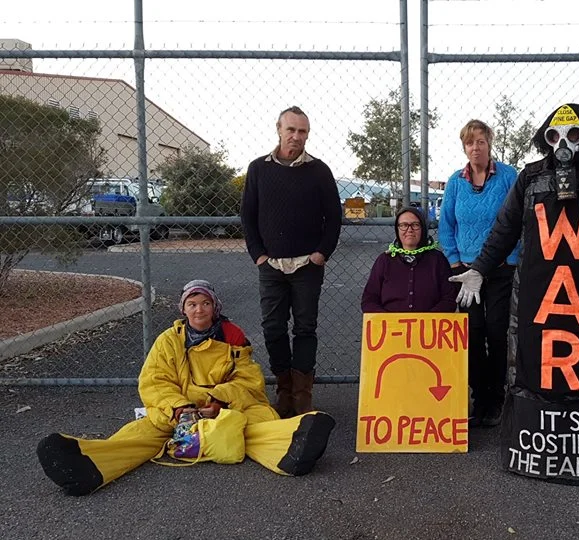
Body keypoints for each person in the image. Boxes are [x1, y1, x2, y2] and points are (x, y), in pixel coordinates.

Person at [451, 104, 579, 484]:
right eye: (554, 136)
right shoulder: (530, 178)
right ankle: (534, 434)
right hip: (540, 295)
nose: (563, 144)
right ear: (545, 139)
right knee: (537, 361)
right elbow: (505, 228)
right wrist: (478, 268)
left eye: (573, 135)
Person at [36, 280, 336, 496]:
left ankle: (294, 446)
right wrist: (180, 408)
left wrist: (219, 400)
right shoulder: (169, 339)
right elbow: (154, 381)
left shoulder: (233, 335)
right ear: (184, 309)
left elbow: (249, 381)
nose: (199, 310)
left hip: (225, 408)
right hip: (180, 412)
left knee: (259, 419)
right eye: (192, 304)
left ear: (215, 307)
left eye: (205, 303)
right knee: (142, 433)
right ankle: (90, 462)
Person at [241, 106, 343, 418]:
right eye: (292, 130)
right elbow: (248, 215)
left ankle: (302, 396)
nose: (297, 137)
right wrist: (258, 255)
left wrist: (321, 254)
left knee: (305, 328)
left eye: (303, 132)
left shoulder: (320, 171)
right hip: (271, 266)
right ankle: (283, 390)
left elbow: (334, 217)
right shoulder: (258, 169)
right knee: (272, 328)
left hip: (306, 267)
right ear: (279, 130)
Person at [438, 119, 520, 428]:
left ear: (489, 144)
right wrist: (455, 260)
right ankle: (479, 396)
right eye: (470, 143)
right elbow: (447, 225)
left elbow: (518, 220)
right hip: (466, 271)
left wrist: (512, 256)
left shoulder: (509, 177)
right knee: (471, 334)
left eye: (481, 141)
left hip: (500, 268)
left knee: (498, 332)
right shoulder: (456, 182)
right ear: (464, 148)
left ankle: (497, 398)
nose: (476, 147)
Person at [362, 206, 457, 313]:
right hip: (391, 327)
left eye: (415, 225)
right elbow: (369, 300)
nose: (409, 230)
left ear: (423, 228)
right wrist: (389, 320)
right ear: (397, 229)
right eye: (403, 225)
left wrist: (425, 321)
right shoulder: (384, 261)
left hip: (428, 327)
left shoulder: (437, 260)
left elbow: (449, 299)